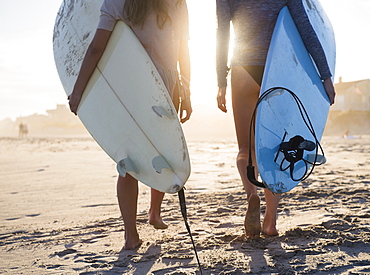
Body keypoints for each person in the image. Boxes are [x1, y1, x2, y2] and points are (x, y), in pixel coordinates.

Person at [68, 0, 192, 249]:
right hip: (165, 87)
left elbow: (97, 48)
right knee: (163, 149)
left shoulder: (116, 2)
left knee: (129, 158)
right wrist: (186, 90)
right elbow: (182, 51)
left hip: (131, 89)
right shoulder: (177, 2)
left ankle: (130, 235)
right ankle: (154, 212)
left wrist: (78, 90)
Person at [215, 0, 336, 238]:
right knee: (276, 150)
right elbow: (306, 30)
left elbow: (222, 33)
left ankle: (251, 193)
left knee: (245, 147)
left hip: (243, 70)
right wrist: (325, 76)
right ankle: (270, 221)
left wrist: (220, 82)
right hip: (276, 72)